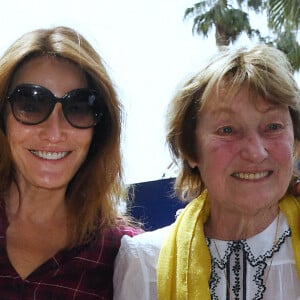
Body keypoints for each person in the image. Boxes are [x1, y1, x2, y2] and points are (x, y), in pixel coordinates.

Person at [113, 44, 300, 299]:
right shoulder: (145, 263)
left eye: (273, 126)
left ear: (295, 142)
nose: (256, 152)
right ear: (190, 150)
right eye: (227, 130)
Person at [0, 26, 141, 299]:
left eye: (78, 107)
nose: (54, 133)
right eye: (30, 104)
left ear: (98, 128)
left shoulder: (126, 255)